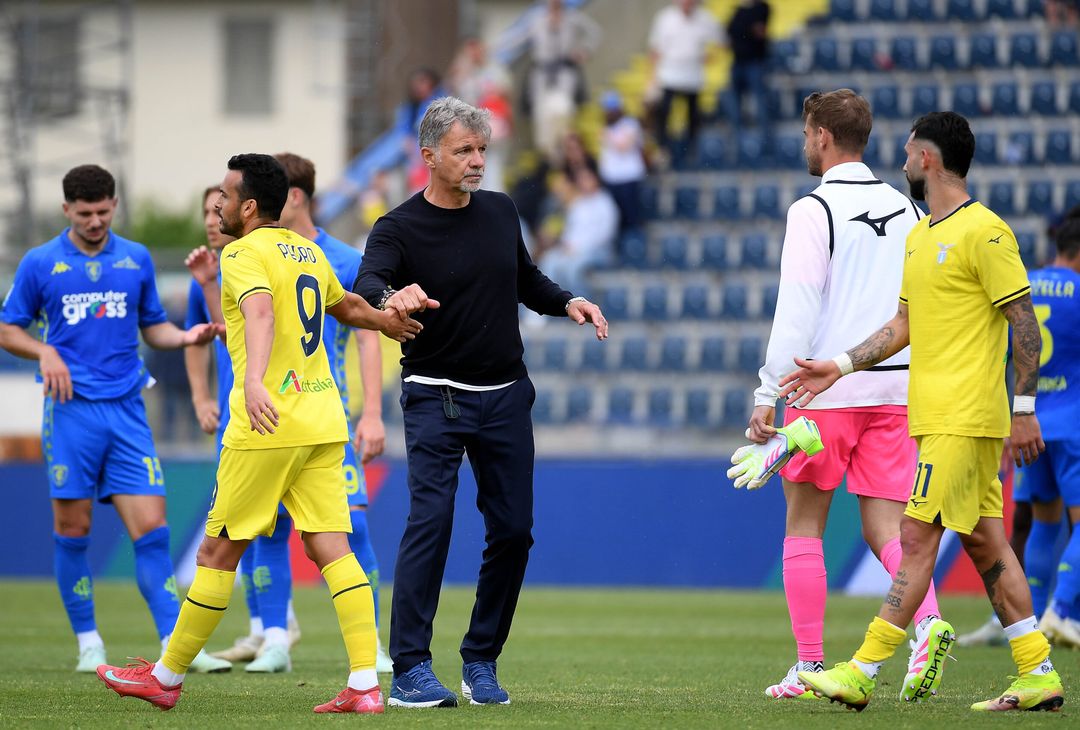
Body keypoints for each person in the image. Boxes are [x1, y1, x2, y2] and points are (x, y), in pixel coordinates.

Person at [96, 153, 434, 714]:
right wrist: (385, 320)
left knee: (216, 550)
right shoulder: (307, 251)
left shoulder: (243, 253)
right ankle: (364, 684)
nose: (218, 206)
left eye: (225, 197)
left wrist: (253, 382)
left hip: (267, 424)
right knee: (332, 547)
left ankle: (165, 676)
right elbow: (345, 304)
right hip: (322, 421)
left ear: (249, 206)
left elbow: (258, 312)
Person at [781, 112, 1064, 712]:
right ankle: (1037, 670)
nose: (902, 161)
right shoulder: (920, 235)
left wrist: (1024, 409)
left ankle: (861, 670)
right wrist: (840, 365)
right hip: (932, 416)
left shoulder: (985, 232)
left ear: (928, 159)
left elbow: (1024, 326)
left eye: (909, 152)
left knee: (915, 536)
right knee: (988, 543)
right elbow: (902, 326)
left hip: (967, 418)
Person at [354, 96, 608, 708]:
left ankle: (481, 660)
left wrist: (567, 300)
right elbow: (365, 286)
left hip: (504, 397)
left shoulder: (500, 211)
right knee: (431, 523)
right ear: (430, 155)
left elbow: (524, 279)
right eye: (464, 150)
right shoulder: (396, 227)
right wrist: (394, 294)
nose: (476, 161)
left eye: (482, 150)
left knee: (515, 532)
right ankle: (411, 668)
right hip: (434, 394)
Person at [748, 90, 941, 701]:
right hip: (895, 384)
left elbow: (797, 305)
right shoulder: (909, 210)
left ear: (824, 136)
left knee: (804, 525)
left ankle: (808, 666)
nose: (807, 144)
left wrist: (766, 390)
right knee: (888, 527)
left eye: (808, 134)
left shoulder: (813, 209)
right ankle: (930, 621)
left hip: (823, 387)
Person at [0, 164, 228, 674]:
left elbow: (154, 328)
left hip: (127, 411)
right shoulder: (41, 264)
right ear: (67, 211)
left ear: (114, 205)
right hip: (72, 412)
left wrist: (186, 336)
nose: (96, 221)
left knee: (152, 530)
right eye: (85, 213)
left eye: (104, 211)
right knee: (73, 527)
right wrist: (44, 353)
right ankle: (88, 643)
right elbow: (7, 328)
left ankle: (176, 644)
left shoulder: (135, 258)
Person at [274, 151, 393, 672]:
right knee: (264, 530)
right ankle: (274, 636)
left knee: (354, 529)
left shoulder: (343, 258)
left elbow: (367, 334)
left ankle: (374, 648)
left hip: (330, 416)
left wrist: (371, 414)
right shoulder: (257, 253)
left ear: (294, 197)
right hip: (270, 418)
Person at [184, 187, 302, 671]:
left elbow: (255, 324)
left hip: (271, 408)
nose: (215, 217)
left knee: (265, 531)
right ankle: (265, 629)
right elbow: (203, 337)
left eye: (222, 206)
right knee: (243, 532)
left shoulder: (249, 260)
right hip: (238, 413)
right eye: (209, 209)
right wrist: (200, 396)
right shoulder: (212, 272)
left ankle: (277, 634)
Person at [1018, 212, 1080, 647]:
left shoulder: (1024, 284)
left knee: (1043, 522)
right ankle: (1060, 611)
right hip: (1074, 422)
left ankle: (1032, 624)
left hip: (1030, 422)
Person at [525, 0, 601, 163]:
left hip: (564, 74)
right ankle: (550, 159)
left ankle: (564, 155)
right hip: (541, 76)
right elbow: (516, 40)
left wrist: (585, 50)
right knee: (542, 120)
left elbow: (594, 32)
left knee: (564, 112)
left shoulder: (572, 17)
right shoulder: (536, 18)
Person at [647, 0, 720, 157]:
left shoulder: (705, 18)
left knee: (693, 113)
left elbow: (721, 41)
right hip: (669, 73)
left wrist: (710, 56)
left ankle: (691, 147)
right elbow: (655, 48)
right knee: (664, 111)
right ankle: (663, 147)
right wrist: (653, 77)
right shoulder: (665, 18)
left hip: (692, 74)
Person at [539, 165, 619, 298]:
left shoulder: (605, 202)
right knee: (549, 260)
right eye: (581, 179)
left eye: (587, 179)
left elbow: (605, 234)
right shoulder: (578, 203)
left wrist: (580, 248)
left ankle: (579, 305)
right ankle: (552, 305)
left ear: (595, 180)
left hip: (597, 251)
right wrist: (567, 244)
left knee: (573, 267)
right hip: (573, 250)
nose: (584, 183)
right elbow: (569, 230)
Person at [447, 37, 513, 192]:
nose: (475, 54)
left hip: (493, 126)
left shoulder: (495, 70)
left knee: (493, 169)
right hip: (469, 128)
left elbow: (505, 96)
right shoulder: (464, 73)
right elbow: (455, 96)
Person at [598, 90, 647, 238]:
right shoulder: (608, 127)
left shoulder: (630, 124)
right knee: (616, 217)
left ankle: (634, 245)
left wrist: (608, 137)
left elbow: (624, 147)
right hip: (611, 177)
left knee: (631, 214)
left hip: (627, 176)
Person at [723, 0, 771, 136]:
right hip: (738, 61)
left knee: (759, 100)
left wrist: (741, 31)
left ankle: (765, 139)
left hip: (754, 62)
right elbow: (731, 31)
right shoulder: (739, 10)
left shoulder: (762, 7)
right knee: (734, 101)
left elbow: (758, 31)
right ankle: (738, 137)